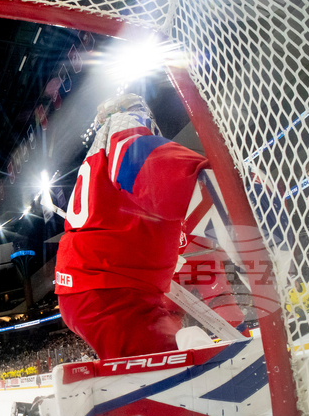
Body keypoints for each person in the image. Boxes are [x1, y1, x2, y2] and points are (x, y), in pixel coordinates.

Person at [54, 93, 213, 359]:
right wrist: (207, 184)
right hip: (110, 290)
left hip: (111, 286)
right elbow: (141, 164)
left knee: (168, 349)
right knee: (170, 371)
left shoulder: (99, 156)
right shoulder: (122, 126)